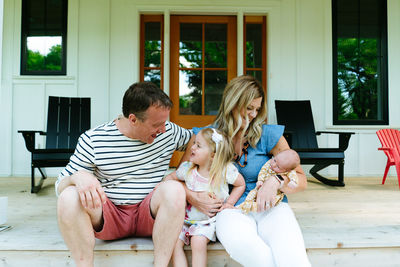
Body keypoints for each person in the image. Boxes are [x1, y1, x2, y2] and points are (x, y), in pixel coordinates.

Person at [55, 82, 193, 267]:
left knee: (175, 189)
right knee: (68, 197)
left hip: (150, 213)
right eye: (157, 124)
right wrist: (76, 177)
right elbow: (59, 186)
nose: (163, 129)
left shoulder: (169, 132)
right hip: (109, 216)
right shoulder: (94, 139)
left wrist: (180, 172)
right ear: (133, 119)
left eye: (165, 122)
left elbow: (196, 139)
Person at [181, 75, 311, 266]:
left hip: (271, 207)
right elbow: (180, 178)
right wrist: (193, 198)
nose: (253, 114)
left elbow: (301, 180)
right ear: (232, 104)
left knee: (291, 253)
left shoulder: (268, 135)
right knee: (247, 248)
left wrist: (275, 182)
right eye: (249, 108)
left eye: (257, 109)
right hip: (229, 209)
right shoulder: (205, 137)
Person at [167, 128, 245, 267]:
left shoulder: (224, 171)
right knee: (173, 242)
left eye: (198, 145)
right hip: (184, 219)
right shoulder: (188, 169)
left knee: (197, 242)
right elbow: (170, 178)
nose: (192, 147)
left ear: (213, 155)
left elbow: (240, 184)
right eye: (194, 143)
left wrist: (229, 203)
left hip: (207, 222)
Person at [238, 149, 300, 213]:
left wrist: (293, 181)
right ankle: (245, 206)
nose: (273, 165)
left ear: (287, 170)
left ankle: (260, 208)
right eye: (275, 160)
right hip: (260, 187)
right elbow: (263, 171)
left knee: (272, 201)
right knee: (252, 194)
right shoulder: (269, 163)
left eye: (278, 167)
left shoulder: (289, 171)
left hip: (276, 192)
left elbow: (293, 175)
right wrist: (260, 180)